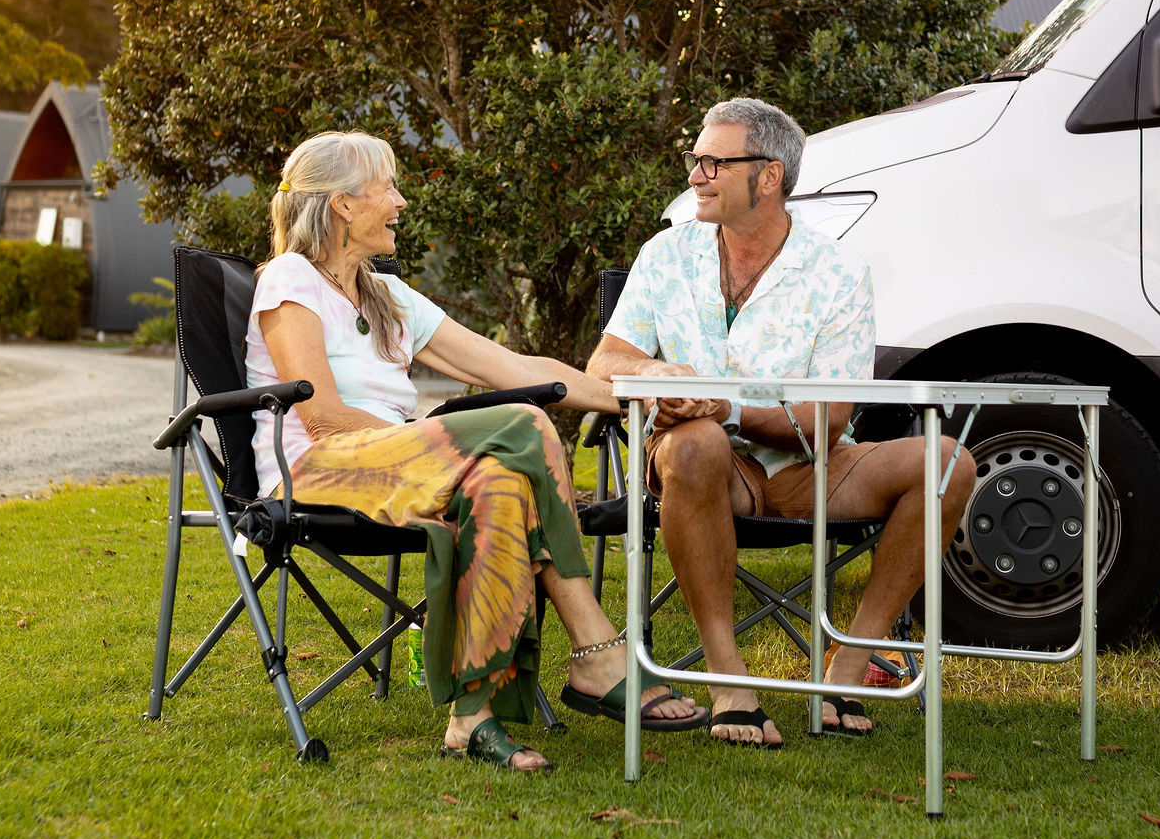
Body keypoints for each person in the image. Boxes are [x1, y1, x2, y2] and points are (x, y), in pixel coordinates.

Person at [246, 130, 706, 772]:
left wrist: (640, 399)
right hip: (315, 470)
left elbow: (518, 367)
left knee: (503, 482)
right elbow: (320, 416)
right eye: (387, 188)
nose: (401, 202)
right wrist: (427, 440)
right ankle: (597, 650)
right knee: (524, 426)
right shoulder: (291, 278)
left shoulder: (385, 296)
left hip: (395, 465)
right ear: (343, 204)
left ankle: (472, 717)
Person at [587, 97, 976, 747]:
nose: (695, 175)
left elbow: (829, 419)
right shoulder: (665, 255)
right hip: (700, 464)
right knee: (695, 444)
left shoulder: (838, 272)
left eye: (713, 162)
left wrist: (730, 407)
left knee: (948, 463)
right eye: (694, 159)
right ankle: (728, 679)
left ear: (768, 176)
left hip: (810, 466)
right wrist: (659, 376)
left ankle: (850, 660)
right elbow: (605, 361)